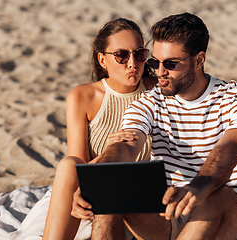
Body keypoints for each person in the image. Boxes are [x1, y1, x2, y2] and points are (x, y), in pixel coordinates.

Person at [71, 12, 237, 240]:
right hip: (167, 214)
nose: (160, 72)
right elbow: (125, 146)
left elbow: (229, 148)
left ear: (199, 60)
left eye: (171, 64)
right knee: (112, 183)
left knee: (220, 195)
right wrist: (96, 178)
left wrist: (198, 187)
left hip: (221, 218)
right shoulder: (150, 101)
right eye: (155, 62)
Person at [41, 18, 157, 240]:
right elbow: (78, 165)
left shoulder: (157, 92)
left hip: (141, 196)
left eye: (139, 54)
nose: (133, 63)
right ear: (102, 60)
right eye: (122, 55)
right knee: (68, 165)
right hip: (90, 192)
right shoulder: (84, 96)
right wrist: (110, 154)